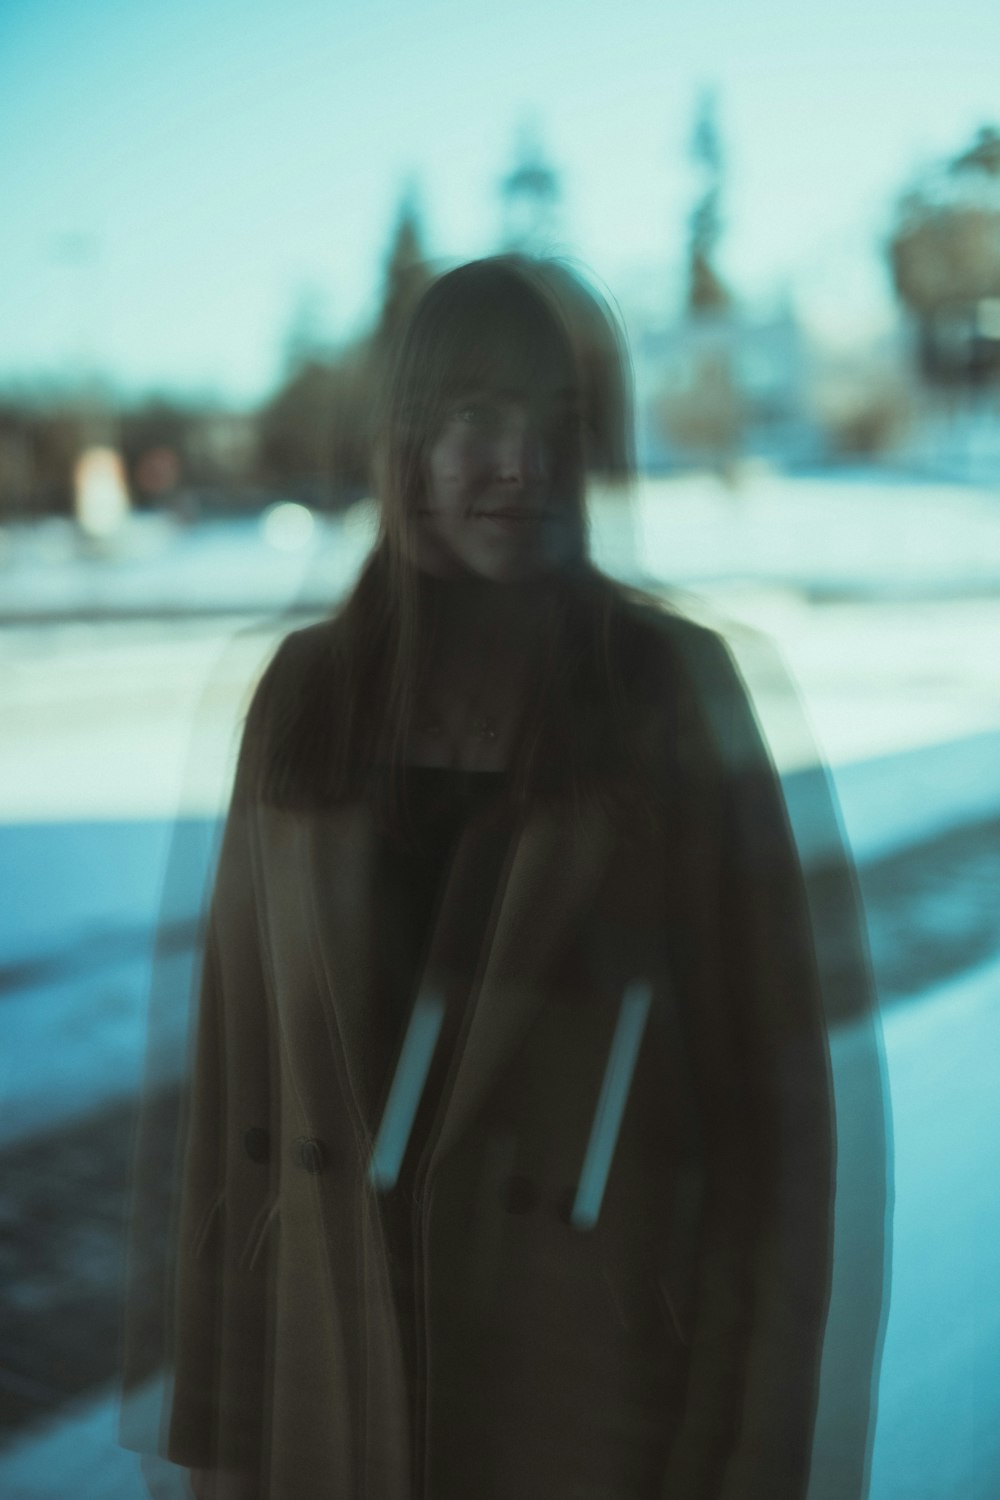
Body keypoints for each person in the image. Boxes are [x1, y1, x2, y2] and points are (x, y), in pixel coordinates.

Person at [124, 256, 883, 1500]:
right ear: (407, 438)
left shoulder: (670, 694)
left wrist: (750, 1462)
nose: (519, 461)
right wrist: (217, 1437)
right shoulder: (305, 701)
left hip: (597, 1415)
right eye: (476, 413)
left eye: (558, 420)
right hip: (331, 1404)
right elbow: (231, 1098)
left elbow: (778, 1138)